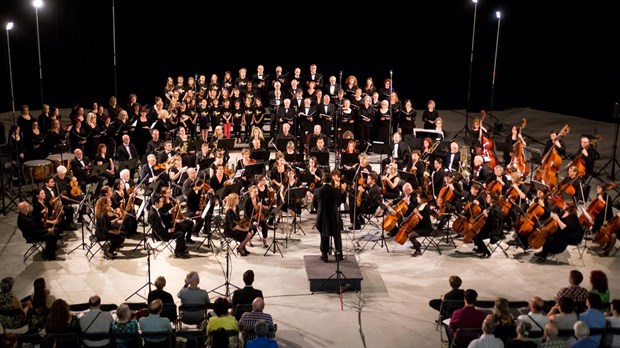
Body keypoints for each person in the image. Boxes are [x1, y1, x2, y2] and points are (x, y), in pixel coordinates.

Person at [148, 194, 190, 259]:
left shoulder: (156, 208)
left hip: (164, 228)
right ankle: (178, 252)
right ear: (156, 203)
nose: (162, 203)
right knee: (180, 234)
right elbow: (157, 229)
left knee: (181, 227)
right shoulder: (152, 214)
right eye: (161, 202)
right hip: (162, 234)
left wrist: (170, 211)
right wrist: (169, 230)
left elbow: (163, 216)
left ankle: (182, 248)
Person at [313, 173, 343, 262]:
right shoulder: (335, 191)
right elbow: (339, 203)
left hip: (322, 216)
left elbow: (314, 204)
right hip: (333, 215)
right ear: (331, 180)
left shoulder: (317, 191)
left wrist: (320, 210)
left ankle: (324, 255)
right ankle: (338, 254)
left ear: (322, 180)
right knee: (336, 235)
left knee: (324, 234)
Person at [472, 192, 503, 259]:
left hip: (495, 231)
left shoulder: (496, 210)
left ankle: (487, 253)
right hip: (489, 228)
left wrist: (486, 215)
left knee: (478, 238)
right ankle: (480, 249)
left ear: (492, 199)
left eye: (488, 197)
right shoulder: (492, 207)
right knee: (475, 235)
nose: (486, 198)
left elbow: (495, 224)